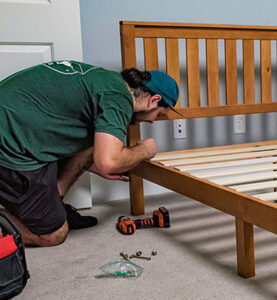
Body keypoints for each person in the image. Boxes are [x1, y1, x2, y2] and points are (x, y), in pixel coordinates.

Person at [0, 60, 180, 247]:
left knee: (95, 139)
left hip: (18, 133)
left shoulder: (109, 81)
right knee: (54, 235)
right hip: (9, 148)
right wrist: (145, 150)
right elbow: (109, 162)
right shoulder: (118, 98)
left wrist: (98, 162)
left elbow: (101, 154)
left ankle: (55, 203)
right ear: (154, 100)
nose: (152, 122)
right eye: (159, 115)